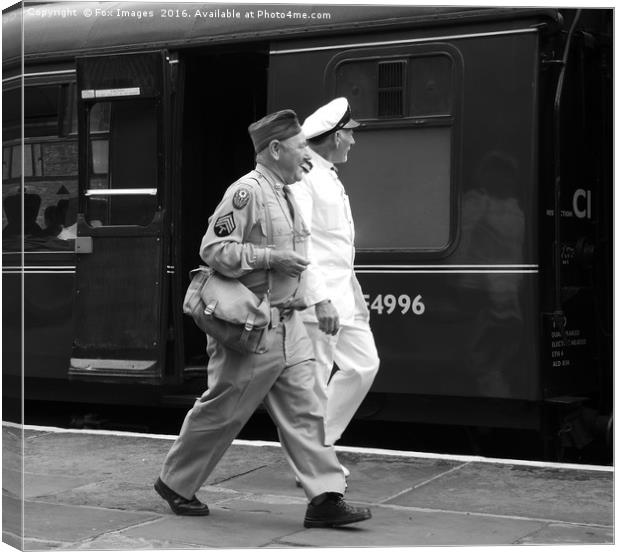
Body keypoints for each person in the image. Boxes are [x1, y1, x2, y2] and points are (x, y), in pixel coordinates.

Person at [154, 109, 371, 529]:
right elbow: (213, 250)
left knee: (308, 410)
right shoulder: (247, 192)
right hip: (252, 329)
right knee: (223, 411)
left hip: (289, 327)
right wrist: (271, 257)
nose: (306, 155)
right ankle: (175, 483)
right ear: (275, 149)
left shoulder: (289, 192)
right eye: (299, 147)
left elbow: (301, 261)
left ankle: (325, 498)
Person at [289, 98, 380, 480]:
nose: (353, 143)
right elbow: (302, 242)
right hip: (320, 299)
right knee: (318, 381)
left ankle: (318, 446)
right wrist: (320, 298)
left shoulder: (326, 173)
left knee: (363, 365)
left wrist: (354, 289)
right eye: (350, 135)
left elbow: (338, 245)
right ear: (335, 136)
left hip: (343, 295)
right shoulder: (307, 176)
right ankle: (312, 460)